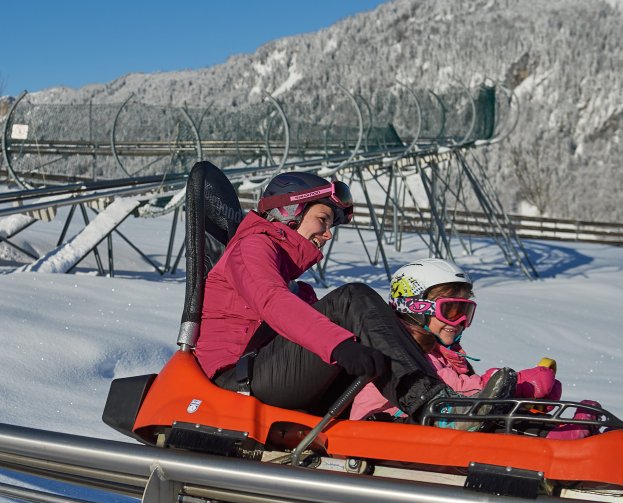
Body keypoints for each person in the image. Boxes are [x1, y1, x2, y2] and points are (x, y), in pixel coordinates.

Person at [195, 171, 491, 419]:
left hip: (270, 374)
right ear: (290, 213)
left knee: (367, 330)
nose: (328, 234)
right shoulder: (252, 247)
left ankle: (413, 412)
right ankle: (433, 407)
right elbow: (272, 302)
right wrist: (339, 346)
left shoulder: (295, 286)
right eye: (323, 220)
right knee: (352, 299)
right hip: (238, 380)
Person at [349, 258, 598, 438]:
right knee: (486, 421)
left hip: (424, 426)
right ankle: (551, 441)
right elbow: (460, 394)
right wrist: (520, 385)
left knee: (490, 418)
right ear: (416, 307)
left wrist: (525, 398)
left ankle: (548, 430)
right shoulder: (407, 357)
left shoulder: (442, 354)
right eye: (452, 311)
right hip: (384, 431)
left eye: (465, 312)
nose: (459, 322)